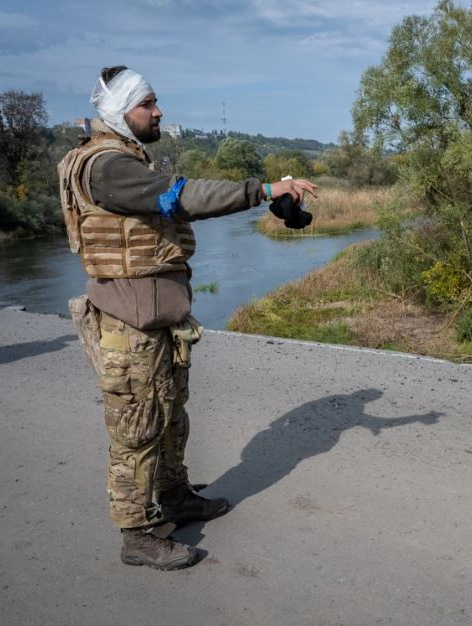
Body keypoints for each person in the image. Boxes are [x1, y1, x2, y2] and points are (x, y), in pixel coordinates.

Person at [58, 66, 318, 571]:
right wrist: (263, 189)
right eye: (147, 103)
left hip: (157, 319)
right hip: (129, 325)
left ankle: (174, 497)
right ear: (119, 111)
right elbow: (182, 197)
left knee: (170, 414)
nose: (158, 112)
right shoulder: (106, 167)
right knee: (136, 428)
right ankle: (137, 534)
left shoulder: (124, 158)